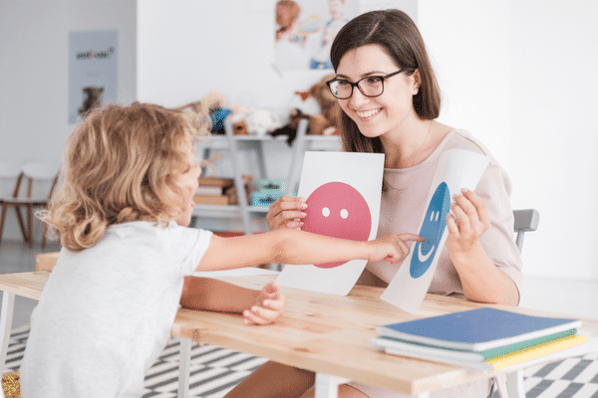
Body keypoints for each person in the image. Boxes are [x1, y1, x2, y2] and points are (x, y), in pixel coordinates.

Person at [19, 101, 422, 398]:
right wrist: (369, 248)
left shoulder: (93, 242)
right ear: (153, 181)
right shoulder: (154, 242)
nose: (201, 172)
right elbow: (281, 244)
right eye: (190, 165)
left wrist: (251, 299)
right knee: (299, 370)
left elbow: (188, 290)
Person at [224, 8, 523, 398]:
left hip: (443, 351)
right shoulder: (353, 159)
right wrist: (291, 237)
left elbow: (509, 301)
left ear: (414, 79)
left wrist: (466, 252)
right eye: (344, 83)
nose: (356, 98)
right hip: (359, 332)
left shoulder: (467, 163)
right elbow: (337, 273)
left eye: (374, 81)